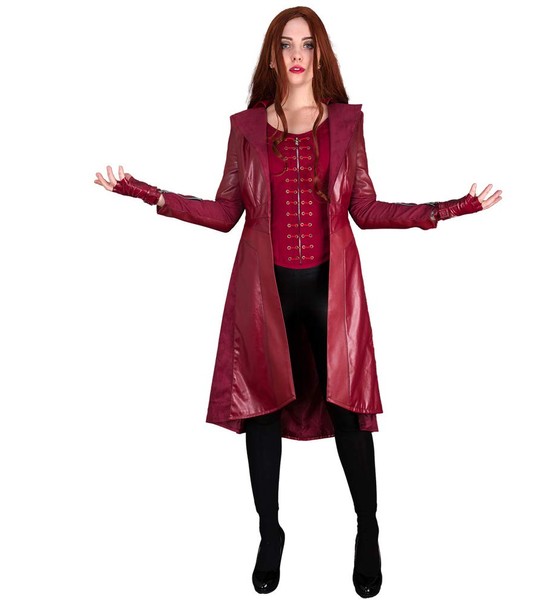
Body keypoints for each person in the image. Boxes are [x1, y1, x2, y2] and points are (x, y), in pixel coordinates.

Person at [94, 6, 502, 597]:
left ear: (320, 54)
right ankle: (269, 532)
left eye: (307, 44)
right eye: (286, 44)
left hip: (333, 295)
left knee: (349, 412)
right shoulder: (246, 129)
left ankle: (368, 529)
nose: (296, 55)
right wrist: (144, 192)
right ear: (272, 55)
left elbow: (366, 209)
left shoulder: (345, 124)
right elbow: (224, 212)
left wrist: (448, 208)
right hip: (264, 295)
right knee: (261, 411)